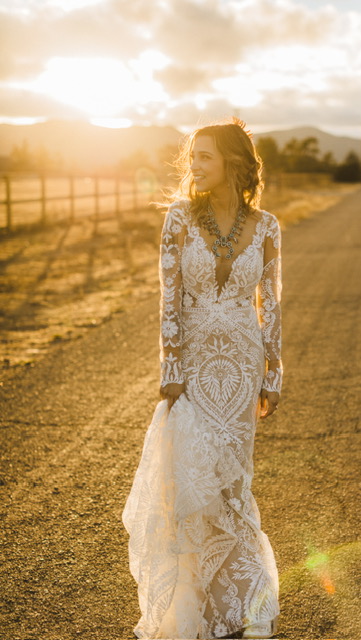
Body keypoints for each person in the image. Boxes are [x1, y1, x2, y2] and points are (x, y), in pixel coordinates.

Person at [122, 118, 282, 639]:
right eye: (192, 157)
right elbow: (169, 297)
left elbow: (271, 303)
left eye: (205, 156)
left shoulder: (268, 227)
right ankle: (191, 608)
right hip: (191, 369)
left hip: (240, 367)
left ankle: (237, 602)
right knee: (190, 481)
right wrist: (169, 366)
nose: (194, 165)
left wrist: (272, 373)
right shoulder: (177, 219)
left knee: (233, 486)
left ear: (234, 164)